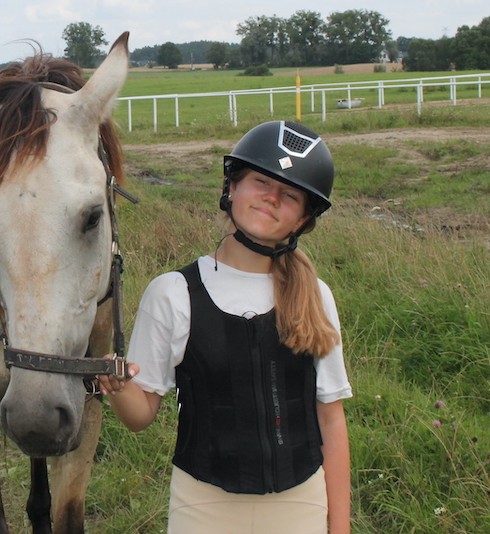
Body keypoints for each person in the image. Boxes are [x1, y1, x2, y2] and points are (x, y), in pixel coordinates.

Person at [98, 120, 352, 534]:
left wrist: (339, 528)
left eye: (290, 195)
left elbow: (332, 420)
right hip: (202, 504)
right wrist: (118, 384)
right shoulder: (173, 293)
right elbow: (140, 416)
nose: (271, 198)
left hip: (301, 503)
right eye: (260, 181)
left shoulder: (315, 297)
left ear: (303, 220)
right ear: (231, 187)